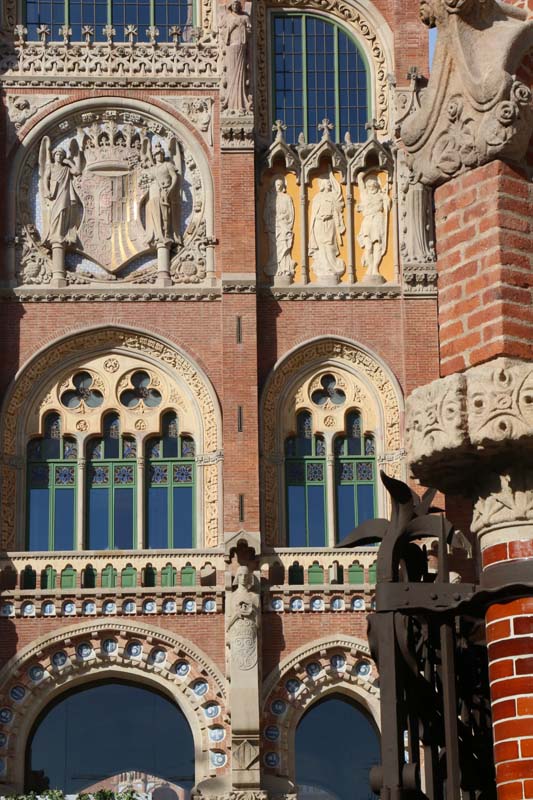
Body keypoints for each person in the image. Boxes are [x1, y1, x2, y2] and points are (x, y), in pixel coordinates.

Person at [39, 139, 83, 247]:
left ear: (63, 157)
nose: (58, 156)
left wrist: (69, 162)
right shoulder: (51, 166)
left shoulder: (66, 168)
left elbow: (77, 172)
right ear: (54, 156)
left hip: (64, 192)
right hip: (54, 193)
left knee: (63, 212)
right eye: (57, 155)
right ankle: (54, 234)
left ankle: (61, 233)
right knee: (54, 213)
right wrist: (46, 190)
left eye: (61, 155)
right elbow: (45, 178)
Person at [308, 172, 346, 280]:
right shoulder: (317, 197)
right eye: (327, 183)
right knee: (321, 245)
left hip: (330, 223)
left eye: (330, 182)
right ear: (323, 185)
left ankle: (332, 266)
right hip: (319, 223)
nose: (329, 184)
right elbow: (314, 213)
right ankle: (325, 267)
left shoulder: (333, 196)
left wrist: (339, 223)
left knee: (329, 244)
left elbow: (337, 210)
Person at [143, 145, 181, 246]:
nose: (159, 156)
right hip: (154, 194)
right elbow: (147, 179)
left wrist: (170, 188)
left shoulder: (167, 165)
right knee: (155, 214)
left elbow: (174, 176)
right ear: (154, 156)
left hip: (165, 191)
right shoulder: (153, 169)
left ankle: (166, 234)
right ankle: (158, 235)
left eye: (161, 154)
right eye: (157, 154)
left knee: (165, 214)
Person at [263, 176, 295, 280]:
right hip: (273, 226)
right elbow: (266, 212)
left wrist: (284, 218)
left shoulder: (287, 198)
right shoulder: (270, 197)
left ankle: (285, 268)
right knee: (274, 248)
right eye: (277, 185)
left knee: (284, 244)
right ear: (274, 185)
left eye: (281, 185)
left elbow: (291, 213)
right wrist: (269, 222)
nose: (279, 187)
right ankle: (274, 267)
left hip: (284, 225)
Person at [222, 0, 251, 112]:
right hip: (231, 46)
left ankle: (241, 102)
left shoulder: (245, 17)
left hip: (241, 46)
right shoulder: (227, 18)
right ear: (231, 6)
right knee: (231, 71)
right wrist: (232, 26)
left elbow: (249, 30)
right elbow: (223, 32)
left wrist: (244, 27)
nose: (235, 6)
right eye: (233, 5)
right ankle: (231, 101)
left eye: (237, 5)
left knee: (241, 72)